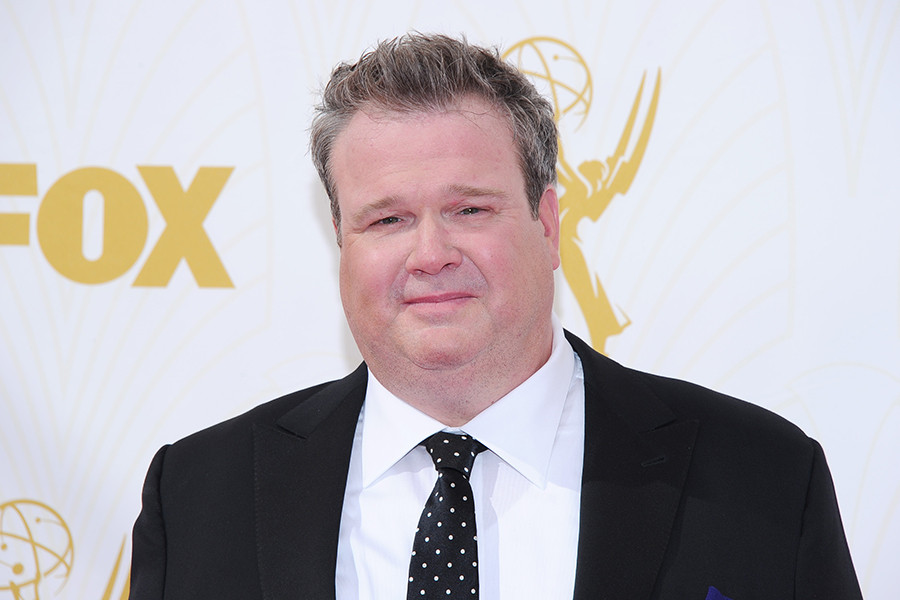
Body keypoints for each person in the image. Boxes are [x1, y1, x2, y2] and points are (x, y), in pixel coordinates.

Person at [129, 33, 863, 600]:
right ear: (341, 241)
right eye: (386, 219)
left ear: (547, 224)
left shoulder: (762, 476)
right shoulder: (198, 495)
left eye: (469, 209)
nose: (430, 254)